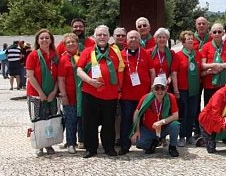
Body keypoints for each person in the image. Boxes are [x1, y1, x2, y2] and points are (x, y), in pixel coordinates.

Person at [76, 25, 125, 158]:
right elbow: (79, 70)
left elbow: (120, 71)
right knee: (89, 122)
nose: (102, 37)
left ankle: (109, 147)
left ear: (109, 37)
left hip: (109, 94)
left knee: (108, 123)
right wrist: (90, 81)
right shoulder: (87, 52)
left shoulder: (115, 52)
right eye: (99, 35)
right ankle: (90, 148)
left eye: (104, 35)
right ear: (94, 37)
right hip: (90, 92)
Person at [118, 30, 156, 155]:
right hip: (127, 94)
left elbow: (152, 72)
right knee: (127, 119)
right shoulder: (121, 55)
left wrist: (152, 88)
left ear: (139, 40)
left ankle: (146, 143)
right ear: (126, 40)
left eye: (135, 37)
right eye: (131, 38)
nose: (133, 40)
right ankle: (125, 145)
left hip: (143, 94)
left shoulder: (145, 54)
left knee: (145, 120)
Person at [26, 29, 59, 156]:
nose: (44, 40)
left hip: (51, 94)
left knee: (50, 119)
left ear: (51, 40)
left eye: (47, 38)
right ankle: (39, 144)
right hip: (35, 93)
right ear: (38, 41)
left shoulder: (55, 56)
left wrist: (54, 91)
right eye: (42, 38)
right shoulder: (33, 55)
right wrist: (40, 92)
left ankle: (49, 143)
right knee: (38, 119)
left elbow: (58, 77)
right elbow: (31, 76)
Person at [198, 70, 226, 155]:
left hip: (223, 119)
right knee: (211, 150)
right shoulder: (220, 94)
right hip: (208, 121)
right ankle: (204, 140)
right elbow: (215, 114)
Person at [130, 77, 180, 157]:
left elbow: (176, 116)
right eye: (157, 88)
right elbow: (137, 113)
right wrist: (137, 131)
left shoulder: (170, 97)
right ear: (152, 88)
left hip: (163, 128)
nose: (159, 91)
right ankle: (153, 143)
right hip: (149, 129)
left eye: (162, 88)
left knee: (175, 125)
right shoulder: (146, 98)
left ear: (166, 88)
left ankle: (172, 147)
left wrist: (162, 122)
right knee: (138, 142)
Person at [171, 30, 203, 146]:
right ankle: (182, 136)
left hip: (194, 89)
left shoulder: (198, 54)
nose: (190, 40)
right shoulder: (178, 55)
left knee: (192, 112)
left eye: (191, 39)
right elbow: (174, 73)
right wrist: (175, 90)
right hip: (182, 89)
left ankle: (189, 135)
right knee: (183, 113)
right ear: (183, 43)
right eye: (188, 39)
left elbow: (200, 71)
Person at [57, 33, 83, 154]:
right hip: (70, 94)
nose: (71, 44)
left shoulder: (82, 56)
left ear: (78, 43)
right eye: (68, 42)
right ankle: (71, 143)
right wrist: (64, 95)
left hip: (82, 93)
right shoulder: (63, 59)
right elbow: (61, 79)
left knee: (82, 118)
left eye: (73, 42)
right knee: (70, 119)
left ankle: (83, 141)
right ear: (64, 45)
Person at [201, 23, 226, 105]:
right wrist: (214, 65)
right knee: (210, 107)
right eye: (214, 32)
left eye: (219, 32)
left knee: (223, 107)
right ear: (211, 34)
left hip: (225, 84)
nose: (217, 34)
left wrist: (222, 66)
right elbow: (203, 65)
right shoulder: (206, 46)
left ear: (223, 33)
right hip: (209, 84)